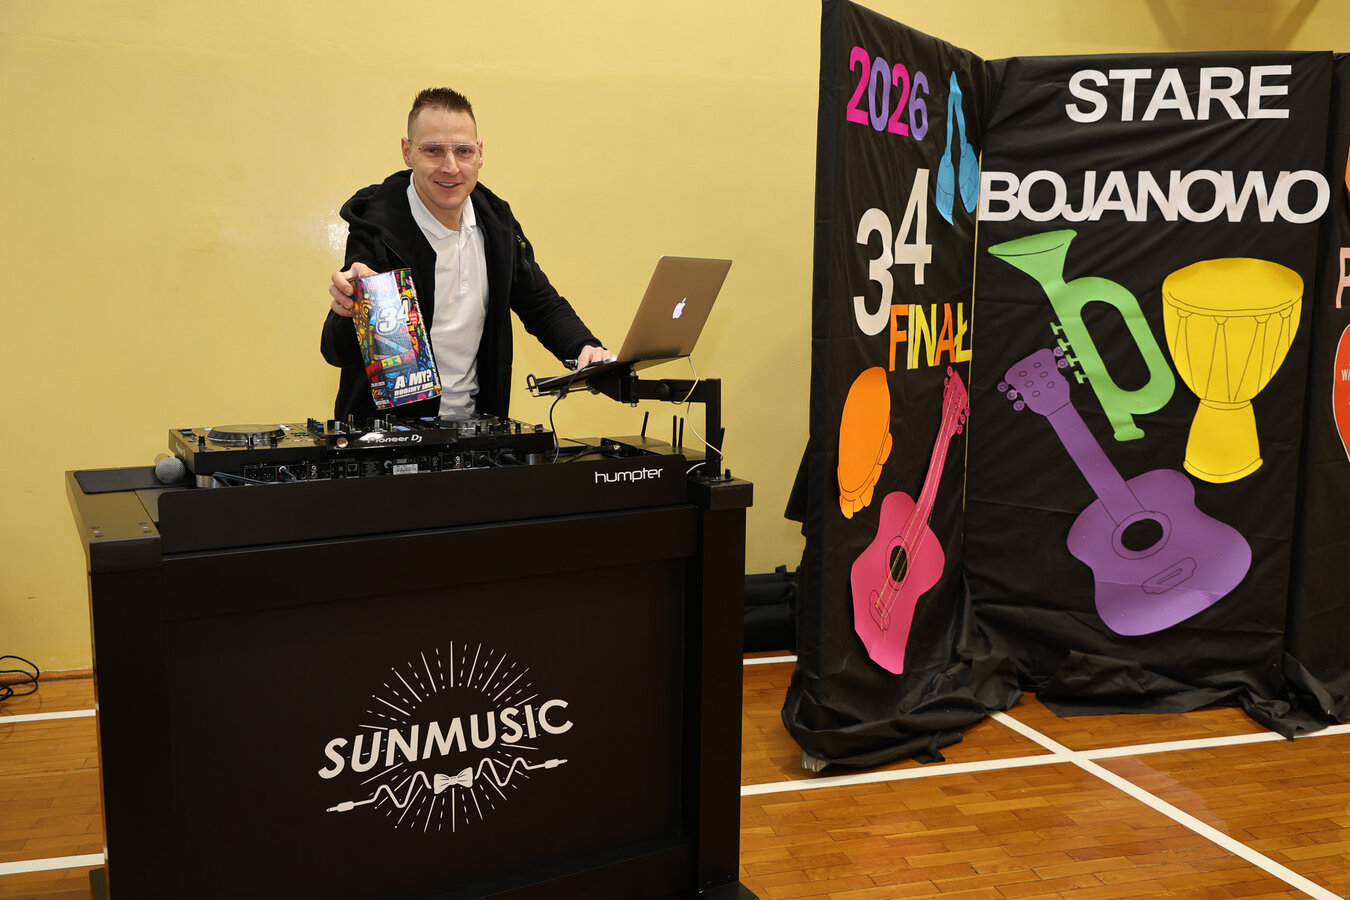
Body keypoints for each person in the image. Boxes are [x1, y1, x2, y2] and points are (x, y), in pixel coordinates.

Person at [323, 87, 612, 420]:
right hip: (392, 435)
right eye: (433, 150)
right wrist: (351, 313)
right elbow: (336, 351)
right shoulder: (378, 229)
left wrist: (585, 348)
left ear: (480, 154)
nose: (450, 167)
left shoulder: (497, 224)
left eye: (463, 151)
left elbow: (541, 305)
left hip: (475, 430)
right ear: (407, 152)